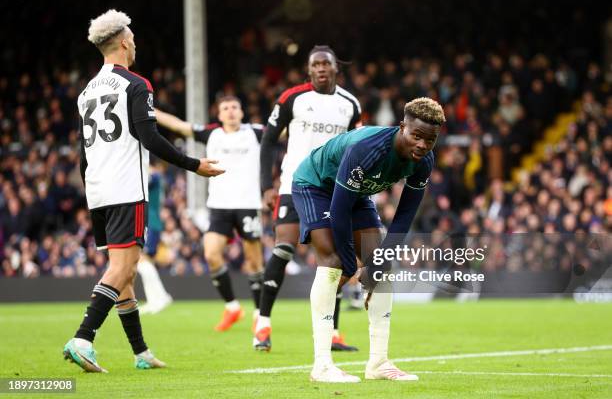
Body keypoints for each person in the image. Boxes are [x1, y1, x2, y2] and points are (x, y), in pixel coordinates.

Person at [63, 9, 224, 373]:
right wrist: (193, 165)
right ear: (123, 42)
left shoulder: (86, 92)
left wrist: (91, 188)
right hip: (125, 188)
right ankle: (83, 338)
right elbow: (148, 137)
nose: (134, 43)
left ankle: (140, 352)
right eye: (132, 38)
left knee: (126, 273)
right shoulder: (135, 84)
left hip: (99, 190)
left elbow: (81, 152)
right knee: (122, 268)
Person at [292, 97, 443, 382]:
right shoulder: (367, 149)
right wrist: (351, 265)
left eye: (430, 140)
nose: (422, 145)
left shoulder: (424, 162)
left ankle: (378, 363)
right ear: (402, 127)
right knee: (334, 262)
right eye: (417, 136)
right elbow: (338, 211)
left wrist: (376, 266)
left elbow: (404, 217)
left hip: (356, 191)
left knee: (380, 268)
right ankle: (322, 365)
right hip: (315, 185)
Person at [255, 45, 361, 352]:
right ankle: (262, 325)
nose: (320, 69)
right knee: (284, 249)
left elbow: (355, 147)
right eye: (315, 65)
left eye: (325, 64)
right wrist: (266, 185)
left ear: (335, 68)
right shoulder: (292, 98)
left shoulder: (350, 104)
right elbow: (268, 142)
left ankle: (334, 333)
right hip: (294, 183)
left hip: (333, 189)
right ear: (308, 69)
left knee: (336, 257)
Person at [155, 96, 264, 332]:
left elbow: (284, 131)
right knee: (211, 254)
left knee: (254, 262)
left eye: (235, 106)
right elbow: (178, 125)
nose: (231, 111)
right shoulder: (211, 134)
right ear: (219, 114)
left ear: (242, 112)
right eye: (226, 108)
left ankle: (260, 315)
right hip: (219, 205)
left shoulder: (255, 132)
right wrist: (150, 111)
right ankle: (233, 308)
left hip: (247, 203)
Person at [137, 160, 173, 315]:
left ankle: (157, 299)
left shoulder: (155, 176)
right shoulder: (158, 178)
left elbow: (142, 182)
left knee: (142, 260)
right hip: (152, 222)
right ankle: (159, 298)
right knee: (145, 261)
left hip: (150, 222)